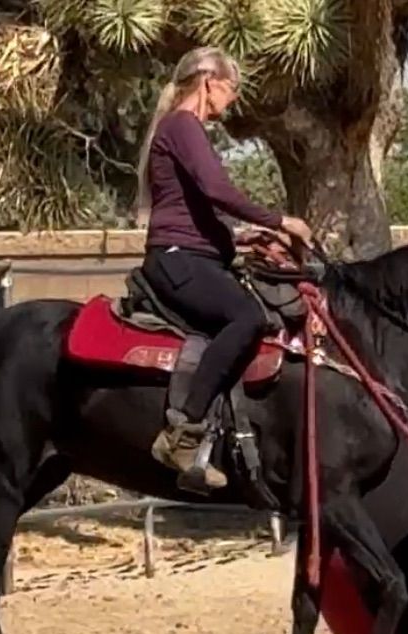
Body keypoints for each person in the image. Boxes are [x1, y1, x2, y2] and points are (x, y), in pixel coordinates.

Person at [134, 46, 314, 489]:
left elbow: (196, 209)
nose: (231, 101)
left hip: (195, 255)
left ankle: (219, 441)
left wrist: (239, 239)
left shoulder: (183, 129)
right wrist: (281, 221)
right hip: (177, 261)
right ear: (208, 82)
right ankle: (183, 432)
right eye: (231, 90)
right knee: (247, 317)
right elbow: (216, 190)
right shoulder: (183, 125)